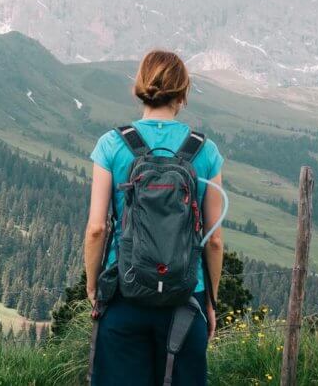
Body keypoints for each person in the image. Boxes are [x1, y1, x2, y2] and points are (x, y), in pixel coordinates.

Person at [84, 50, 225, 385]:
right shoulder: (205, 151)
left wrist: (93, 286)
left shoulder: (112, 145)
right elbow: (214, 239)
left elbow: (96, 228)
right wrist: (210, 301)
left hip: (124, 292)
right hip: (185, 298)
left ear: (140, 88)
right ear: (183, 94)